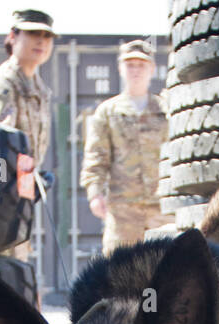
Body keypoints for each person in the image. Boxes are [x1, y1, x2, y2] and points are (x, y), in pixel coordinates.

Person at [80, 39, 169, 255]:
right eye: (130, 65)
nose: (135, 70)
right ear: (121, 69)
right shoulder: (107, 111)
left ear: (152, 69)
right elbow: (96, 155)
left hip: (160, 210)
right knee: (119, 274)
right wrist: (94, 193)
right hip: (123, 212)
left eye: (141, 65)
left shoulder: (166, 109)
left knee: (166, 272)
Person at [0, 9, 55, 262]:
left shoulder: (40, 89)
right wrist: (3, 191)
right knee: (5, 268)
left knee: (19, 263)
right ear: (13, 36)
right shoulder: (3, 83)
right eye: (33, 33)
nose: (41, 41)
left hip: (20, 197)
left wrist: (33, 180)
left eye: (47, 36)